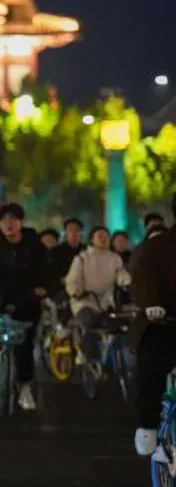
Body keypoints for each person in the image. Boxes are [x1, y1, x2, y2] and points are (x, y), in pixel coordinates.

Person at [0, 202, 49, 411]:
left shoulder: (35, 245)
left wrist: (44, 288)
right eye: (4, 220)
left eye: (13, 220)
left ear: (21, 222)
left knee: (25, 346)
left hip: (26, 299)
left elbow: (48, 272)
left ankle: (24, 389)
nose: (8, 224)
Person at [130, 195, 176, 457]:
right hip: (163, 321)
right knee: (151, 369)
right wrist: (150, 304)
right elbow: (143, 279)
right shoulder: (158, 247)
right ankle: (148, 425)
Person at [65, 225, 131, 379]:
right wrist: (76, 291)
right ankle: (86, 355)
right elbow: (73, 280)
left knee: (119, 326)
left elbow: (120, 274)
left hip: (106, 303)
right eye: (99, 235)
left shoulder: (114, 258)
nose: (103, 238)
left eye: (106, 235)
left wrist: (128, 282)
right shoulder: (81, 258)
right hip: (85, 301)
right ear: (92, 239)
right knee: (87, 322)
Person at [48, 218, 84, 297]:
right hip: (61, 288)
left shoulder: (86, 251)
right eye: (70, 230)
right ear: (65, 233)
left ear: (81, 233)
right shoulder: (55, 251)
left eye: (77, 230)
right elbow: (51, 273)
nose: (74, 233)